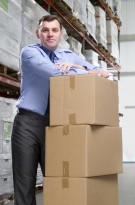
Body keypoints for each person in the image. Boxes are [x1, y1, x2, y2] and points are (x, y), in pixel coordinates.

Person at [11, 14, 110, 205]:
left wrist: (74, 65)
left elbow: (101, 73)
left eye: (54, 30)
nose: (50, 34)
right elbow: (55, 73)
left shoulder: (69, 56)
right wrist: (81, 70)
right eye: (45, 30)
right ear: (38, 33)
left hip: (57, 126)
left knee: (59, 180)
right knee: (25, 182)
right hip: (28, 124)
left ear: (61, 33)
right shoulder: (29, 52)